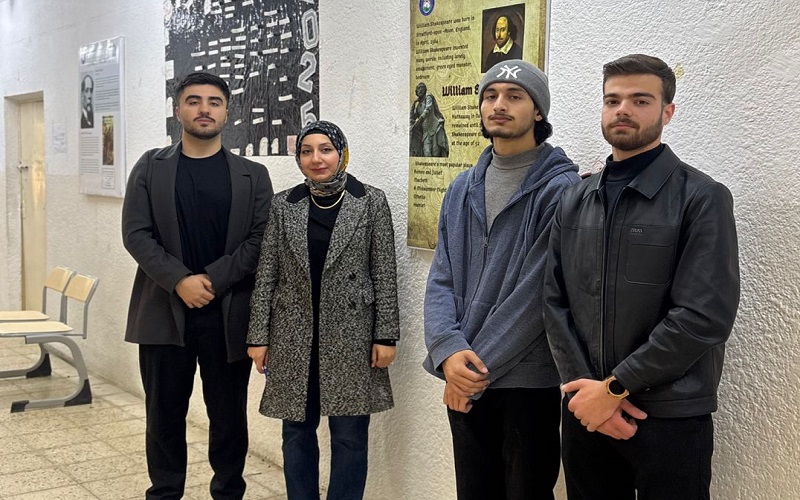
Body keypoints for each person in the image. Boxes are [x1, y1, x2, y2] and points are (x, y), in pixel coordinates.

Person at [544, 54, 740, 500]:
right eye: (612, 100)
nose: (623, 110)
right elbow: (554, 302)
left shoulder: (702, 198)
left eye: (640, 100)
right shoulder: (574, 199)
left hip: (669, 416)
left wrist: (616, 388)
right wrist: (587, 395)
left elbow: (703, 316)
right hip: (586, 411)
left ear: (667, 112)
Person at [423, 59, 580, 500]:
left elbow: (538, 294)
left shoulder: (562, 190)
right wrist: (448, 350)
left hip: (526, 380)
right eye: (490, 96)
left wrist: (470, 373)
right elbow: (440, 277)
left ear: (538, 111)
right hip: (463, 371)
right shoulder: (461, 188)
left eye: (514, 96)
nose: (499, 105)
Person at [122, 72, 273, 499]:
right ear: (178, 110)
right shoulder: (150, 166)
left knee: (228, 419)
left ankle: (228, 492)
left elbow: (261, 239)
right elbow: (136, 234)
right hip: (163, 313)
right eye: (193, 101)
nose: (204, 109)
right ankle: (164, 492)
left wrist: (212, 279)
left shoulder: (253, 174)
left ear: (227, 112)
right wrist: (179, 281)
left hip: (227, 316)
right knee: (163, 416)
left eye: (213, 102)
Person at [247, 120, 400, 500]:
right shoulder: (284, 204)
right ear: (298, 157)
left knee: (350, 436)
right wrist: (258, 336)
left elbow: (384, 271)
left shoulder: (371, 201)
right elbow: (267, 274)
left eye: (325, 149)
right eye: (307, 151)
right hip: (292, 337)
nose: (316, 159)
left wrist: (385, 336)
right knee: (296, 433)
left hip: (352, 337)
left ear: (341, 153)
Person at [410, 82, 449, 157]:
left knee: (436, 154)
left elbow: (428, 109)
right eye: (418, 88)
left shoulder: (428, 97)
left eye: (422, 88)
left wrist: (419, 121)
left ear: (425, 90)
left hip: (434, 130)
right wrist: (413, 104)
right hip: (425, 134)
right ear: (416, 92)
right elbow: (412, 118)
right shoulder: (418, 106)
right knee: (426, 153)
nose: (420, 90)